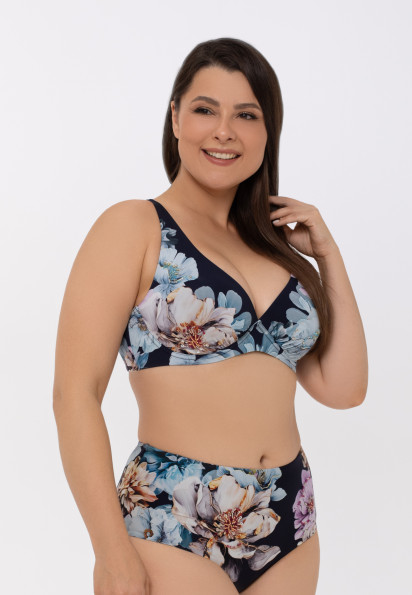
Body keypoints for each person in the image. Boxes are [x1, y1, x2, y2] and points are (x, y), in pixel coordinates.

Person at [53, 37, 368, 595]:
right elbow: (74, 395)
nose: (224, 131)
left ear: (268, 132)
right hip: (172, 515)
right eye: (205, 110)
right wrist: (110, 552)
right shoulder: (134, 226)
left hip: (285, 513)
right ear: (176, 118)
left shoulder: (278, 251)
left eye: (246, 115)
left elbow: (344, 390)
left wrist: (328, 255)